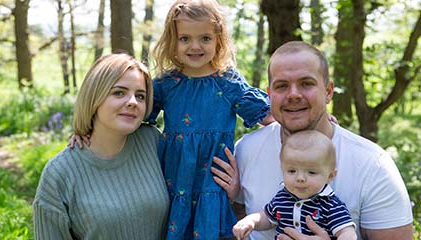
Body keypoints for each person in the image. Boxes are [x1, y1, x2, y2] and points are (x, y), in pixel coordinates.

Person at [216, 41, 413, 240]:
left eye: (306, 83)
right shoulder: (245, 150)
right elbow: (235, 220)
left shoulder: (372, 164)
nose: (293, 95)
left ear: (328, 91)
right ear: (269, 95)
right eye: (282, 86)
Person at [148, 0, 271, 238]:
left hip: (212, 182)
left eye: (205, 38)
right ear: (173, 41)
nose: (195, 46)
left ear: (219, 40)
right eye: (185, 39)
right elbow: (132, 117)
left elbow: (269, 117)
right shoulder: (166, 84)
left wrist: (315, 121)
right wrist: (88, 131)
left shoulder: (228, 83)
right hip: (173, 179)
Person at [33, 53, 170, 239]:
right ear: (94, 97)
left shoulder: (153, 142)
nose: (132, 102)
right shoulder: (59, 174)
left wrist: (225, 193)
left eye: (140, 96)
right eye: (119, 93)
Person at [232, 130, 356, 240]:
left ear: (330, 176)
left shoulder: (330, 205)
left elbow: (347, 232)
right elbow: (267, 217)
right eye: (292, 171)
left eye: (311, 172)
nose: (300, 178)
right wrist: (251, 221)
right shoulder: (282, 198)